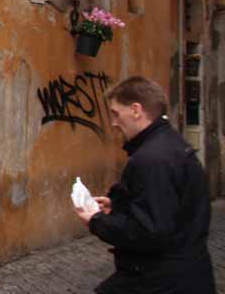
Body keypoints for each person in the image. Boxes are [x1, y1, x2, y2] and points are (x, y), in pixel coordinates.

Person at [74, 76, 216, 293]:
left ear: (136, 110)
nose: (113, 122)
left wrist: (96, 221)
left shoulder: (152, 159)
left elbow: (148, 232)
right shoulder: (171, 144)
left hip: (162, 280)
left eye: (115, 113)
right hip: (183, 274)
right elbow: (170, 207)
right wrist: (119, 206)